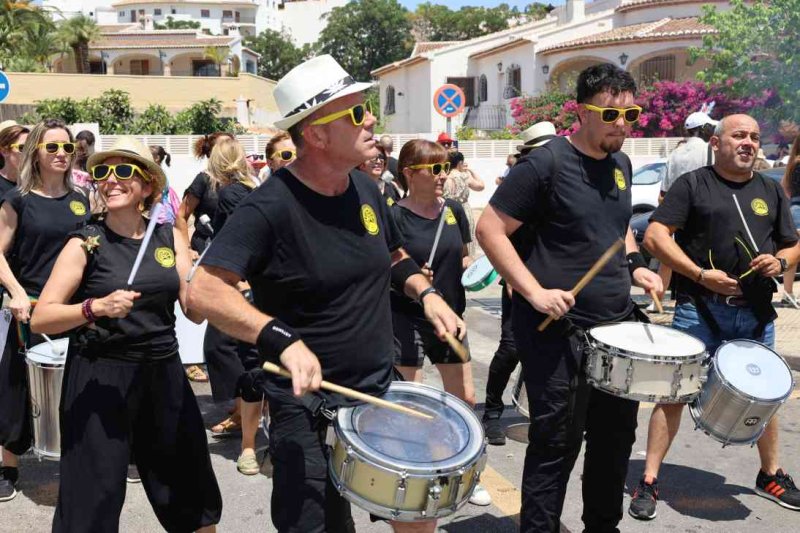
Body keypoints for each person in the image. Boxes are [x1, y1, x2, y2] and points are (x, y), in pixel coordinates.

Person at [187, 54, 463, 533]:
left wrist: (426, 293)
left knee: (418, 516)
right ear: (315, 135)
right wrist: (281, 338)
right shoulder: (269, 206)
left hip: (376, 388)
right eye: (356, 112)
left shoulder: (366, 189)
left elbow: (393, 255)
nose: (371, 119)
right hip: (306, 405)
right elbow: (203, 292)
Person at [476, 63, 662, 532]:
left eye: (631, 114)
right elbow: (490, 228)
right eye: (610, 114)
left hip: (616, 329)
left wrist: (636, 265)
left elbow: (617, 227)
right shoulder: (546, 164)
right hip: (558, 333)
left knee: (614, 440)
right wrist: (533, 291)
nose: (622, 124)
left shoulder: (621, 165)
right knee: (556, 443)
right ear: (582, 112)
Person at [29, 137, 221, 532]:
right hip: (101, 377)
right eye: (102, 172)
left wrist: (212, 286)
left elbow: (193, 311)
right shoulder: (84, 242)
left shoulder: (169, 236)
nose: (110, 179)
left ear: (148, 185)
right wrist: (93, 308)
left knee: (189, 490)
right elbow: (42, 318)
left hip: (163, 374)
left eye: (123, 171)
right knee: (92, 501)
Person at [631, 114, 800, 520]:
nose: (748, 143)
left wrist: (779, 263)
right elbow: (655, 235)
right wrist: (698, 274)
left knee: (766, 395)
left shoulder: (769, 190)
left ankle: (770, 474)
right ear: (716, 142)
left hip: (755, 314)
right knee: (673, 394)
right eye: (739, 135)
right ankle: (649, 480)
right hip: (699, 311)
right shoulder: (693, 184)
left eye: (754, 137)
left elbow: (793, 245)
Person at [390, 138, 490, 506]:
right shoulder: (394, 216)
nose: (443, 175)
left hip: (451, 317)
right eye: (434, 169)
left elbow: (462, 256)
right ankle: (414, 477)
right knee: (411, 407)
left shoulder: (454, 210)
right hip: (406, 319)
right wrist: (415, 279)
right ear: (409, 173)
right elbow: (384, 268)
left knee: (464, 399)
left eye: (445, 168)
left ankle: (464, 474)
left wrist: (477, 270)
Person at [0, 119, 91, 502]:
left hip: (75, 309)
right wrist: (17, 292)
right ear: (35, 151)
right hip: (33, 308)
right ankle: (8, 465)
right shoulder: (18, 200)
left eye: (67, 148)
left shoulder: (81, 199)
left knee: (80, 386)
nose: (61, 154)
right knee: (18, 387)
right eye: (52, 147)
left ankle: (80, 461)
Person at [482, 128, 556, 446]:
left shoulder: (564, 182)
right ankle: (492, 413)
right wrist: (513, 280)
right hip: (519, 280)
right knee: (511, 347)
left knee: (552, 351)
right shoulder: (518, 185)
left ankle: (543, 415)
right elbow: (497, 235)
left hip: (555, 283)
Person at [207, 137, 267, 475]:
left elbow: (240, 240)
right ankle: (247, 428)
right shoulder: (251, 187)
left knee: (241, 361)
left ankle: (248, 441)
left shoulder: (231, 193)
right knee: (247, 362)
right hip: (249, 285)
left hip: (241, 287)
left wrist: (240, 283)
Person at [651, 111, 717, 310]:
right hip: (703, 210)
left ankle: (657, 300)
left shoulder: (675, 153)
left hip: (677, 212)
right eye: (710, 127)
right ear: (704, 129)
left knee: (669, 256)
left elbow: (664, 190)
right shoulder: (710, 150)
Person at [444, 151, 484, 257]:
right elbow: (480, 186)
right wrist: (470, 170)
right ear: (460, 163)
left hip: (448, 212)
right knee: (466, 239)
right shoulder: (464, 176)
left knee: (451, 239)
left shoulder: (445, 177)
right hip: (464, 210)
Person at [780, 135, 800, 303]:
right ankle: (788, 294)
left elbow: (784, 187)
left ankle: (788, 293)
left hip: (795, 209)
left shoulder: (793, 163)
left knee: (794, 253)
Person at [0, 121, 29, 197]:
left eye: (32, 147)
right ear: (4, 151)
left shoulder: (38, 183)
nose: (29, 153)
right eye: (22, 148)